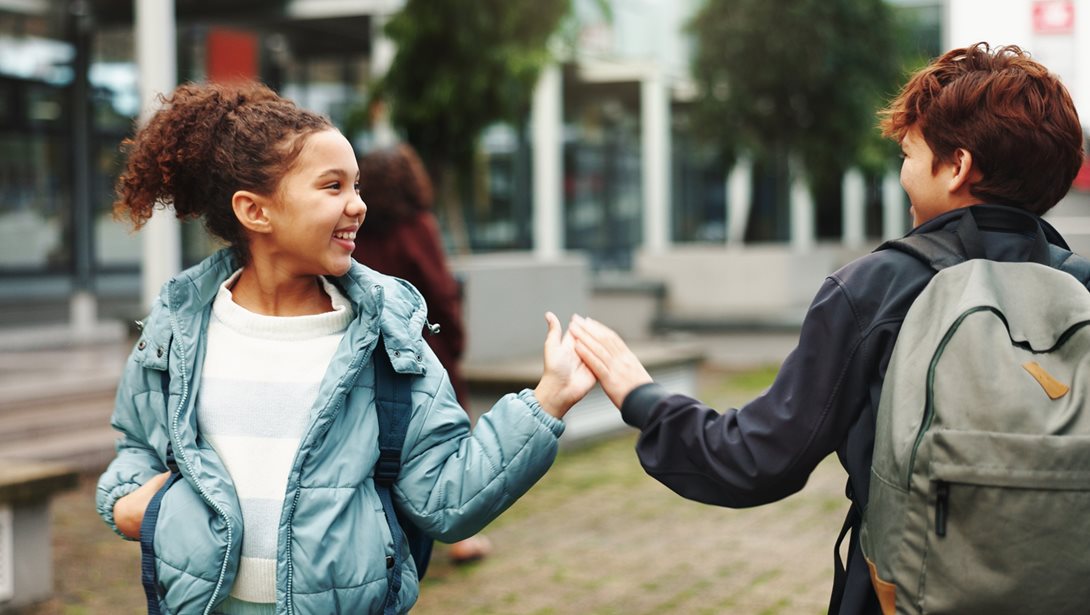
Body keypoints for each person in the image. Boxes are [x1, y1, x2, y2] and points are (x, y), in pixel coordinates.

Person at [568, 42, 1087, 615]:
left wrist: (642, 397)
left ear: (957, 166)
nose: (903, 174)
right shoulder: (1081, 287)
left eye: (910, 155)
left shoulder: (879, 288)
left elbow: (756, 460)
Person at [95, 81, 594, 615]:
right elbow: (137, 445)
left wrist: (548, 400)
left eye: (357, 187)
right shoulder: (178, 330)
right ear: (255, 211)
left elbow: (446, 500)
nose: (357, 205)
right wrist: (128, 504)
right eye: (333, 186)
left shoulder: (389, 341)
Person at [352, 143, 489, 564]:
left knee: (384, 441)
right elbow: (440, 289)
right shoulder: (417, 226)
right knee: (445, 436)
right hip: (424, 345)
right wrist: (456, 340)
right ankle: (460, 537)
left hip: (370, 346)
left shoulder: (356, 231)